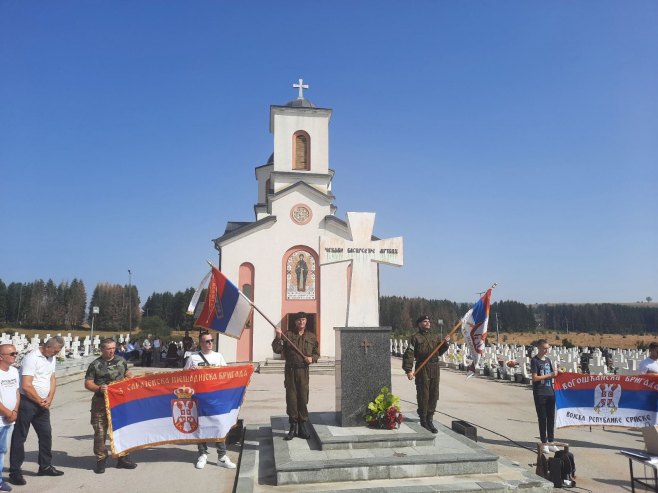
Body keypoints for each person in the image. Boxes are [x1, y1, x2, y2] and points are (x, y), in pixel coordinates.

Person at [9, 336, 65, 486]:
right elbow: (26, 385)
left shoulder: (50, 358)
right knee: (20, 437)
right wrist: (40, 400)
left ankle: (45, 465)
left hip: (43, 404)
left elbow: (52, 378)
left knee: (46, 435)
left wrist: (50, 398)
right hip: (28, 403)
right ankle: (15, 471)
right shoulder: (31, 358)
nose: (56, 354)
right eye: (55, 351)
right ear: (47, 347)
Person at [84, 338, 137, 474]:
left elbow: (127, 372)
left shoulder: (120, 360)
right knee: (100, 432)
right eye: (108, 349)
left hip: (119, 402)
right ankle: (101, 460)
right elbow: (88, 383)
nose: (112, 351)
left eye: (113, 348)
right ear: (102, 349)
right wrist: (99, 388)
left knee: (121, 430)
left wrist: (131, 376)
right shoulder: (95, 364)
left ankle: (123, 458)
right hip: (101, 403)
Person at [184, 332, 236, 470]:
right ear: (201, 343)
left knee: (219, 425)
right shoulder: (193, 358)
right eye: (207, 341)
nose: (210, 343)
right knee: (201, 426)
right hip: (199, 398)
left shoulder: (218, 356)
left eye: (211, 340)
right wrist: (191, 372)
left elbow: (226, 376)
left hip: (216, 398)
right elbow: (183, 376)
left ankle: (222, 456)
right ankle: (202, 454)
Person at [271, 312, 319, 440]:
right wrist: (278, 336)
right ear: (295, 322)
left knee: (303, 398)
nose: (301, 322)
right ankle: (293, 427)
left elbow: (316, 353)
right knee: (292, 399)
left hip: (303, 371)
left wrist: (312, 358)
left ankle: (302, 426)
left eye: (303, 320)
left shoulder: (311, 336)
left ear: (306, 321)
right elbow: (277, 350)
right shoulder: (288, 335)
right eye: (298, 320)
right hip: (291, 371)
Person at [402, 315, 450, 433]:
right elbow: (409, 353)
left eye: (428, 321)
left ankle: (430, 419)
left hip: (434, 366)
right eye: (425, 321)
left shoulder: (435, 336)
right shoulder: (415, 338)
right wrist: (408, 370)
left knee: (434, 393)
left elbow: (439, 352)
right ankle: (423, 419)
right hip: (422, 367)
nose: (428, 323)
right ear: (419, 324)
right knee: (424, 393)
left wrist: (445, 343)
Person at [531, 339, 560, 453]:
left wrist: (558, 373)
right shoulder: (535, 361)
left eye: (547, 348)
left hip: (550, 392)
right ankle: (544, 442)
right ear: (539, 348)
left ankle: (551, 441)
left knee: (551, 418)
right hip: (540, 393)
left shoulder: (548, 360)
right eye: (544, 348)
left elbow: (552, 375)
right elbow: (535, 378)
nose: (546, 350)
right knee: (542, 418)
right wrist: (550, 375)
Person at [0, 345, 20, 492]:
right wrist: (8, 413)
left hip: (10, 419)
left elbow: (17, 392)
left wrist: (15, 411)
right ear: (1, 356)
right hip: (2, 419)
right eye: (12, 353)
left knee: (2, 450)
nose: (15, 355)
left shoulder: (14, 371)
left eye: (15, 353)